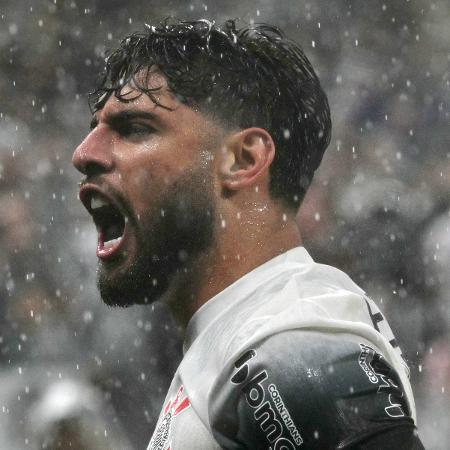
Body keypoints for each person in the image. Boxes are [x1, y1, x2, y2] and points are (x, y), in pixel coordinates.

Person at [72, 19, 424, 450]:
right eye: (96, 127)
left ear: (243, 160)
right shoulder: (241, 337)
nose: (84, 152)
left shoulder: (289, 342)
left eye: (134, 128)